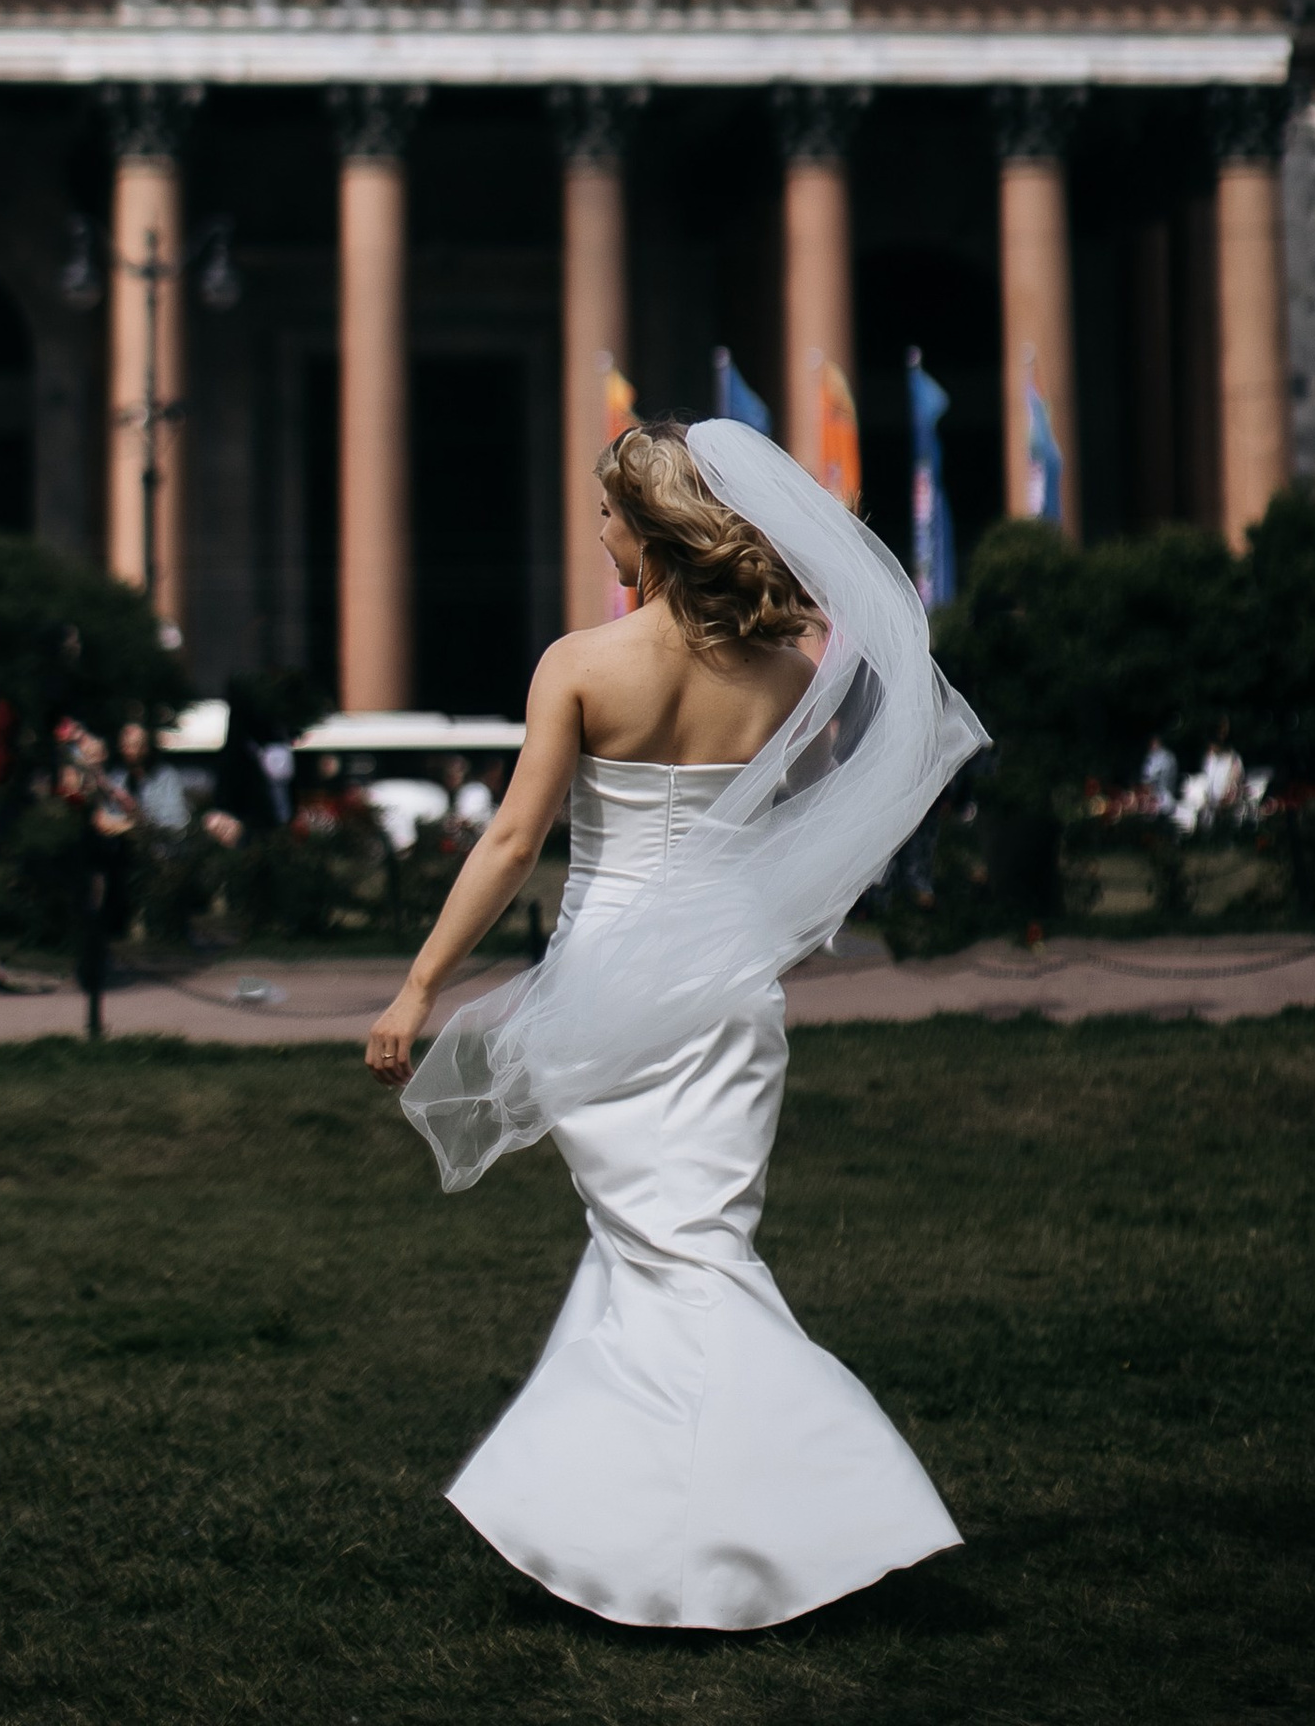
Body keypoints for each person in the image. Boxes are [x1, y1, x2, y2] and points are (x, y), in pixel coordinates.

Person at [364, 414, 984, 1633]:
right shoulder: (790, 681)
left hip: (604, 991)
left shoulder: (578, 665)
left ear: (647, 535)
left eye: (606, 515)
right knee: (669, 1250)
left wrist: (420, 985)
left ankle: (843, 1510)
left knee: (678, 1259)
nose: (597, 534)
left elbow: (509, 842)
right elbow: (785, 847)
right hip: (726, 989)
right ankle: (634, 1541)